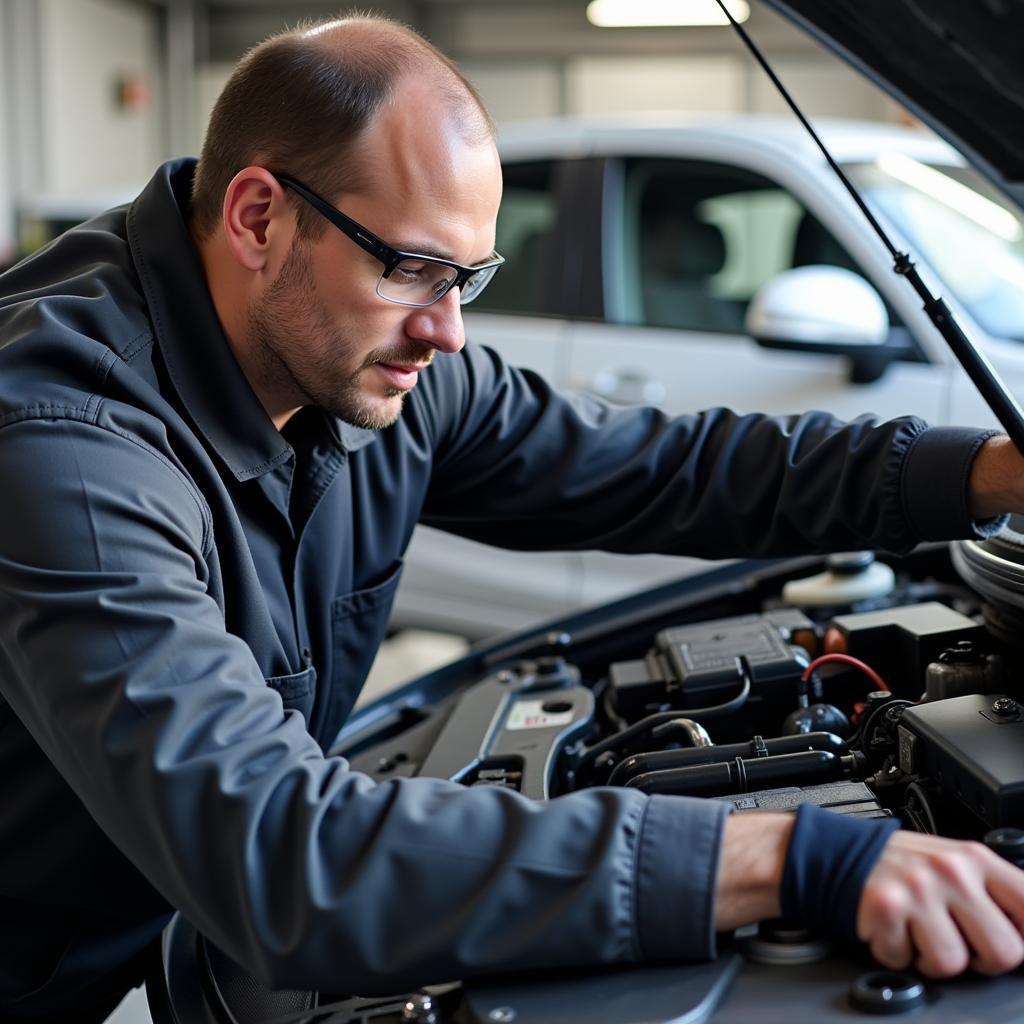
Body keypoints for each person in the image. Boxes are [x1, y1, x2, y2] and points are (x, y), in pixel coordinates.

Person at [1, 13, 1024, 1022]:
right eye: (412, 268)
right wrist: (787, 854)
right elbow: (277, 852)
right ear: (258, 216)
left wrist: (985, 473)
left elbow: (667, 465)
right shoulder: (64, 446)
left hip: (129, 932)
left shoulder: (367, 364)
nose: (447, 331)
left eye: (469, 277)